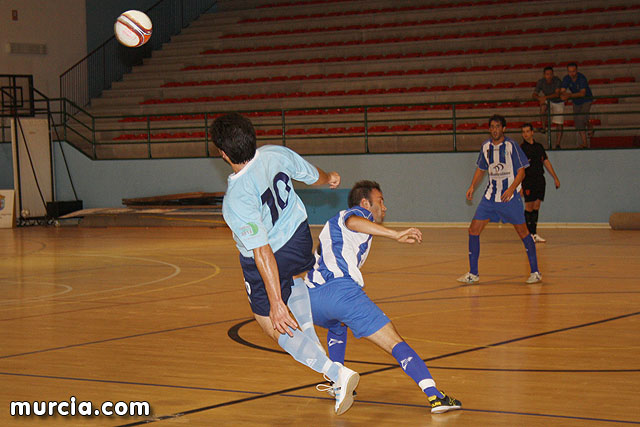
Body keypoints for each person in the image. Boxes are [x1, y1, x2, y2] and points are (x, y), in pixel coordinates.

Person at [210, 113, 359, 415]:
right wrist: (329, 178)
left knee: (268, 320)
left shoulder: (236, 199)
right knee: (292, 283)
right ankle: (322, 356)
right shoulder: (275, 153)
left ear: (222, 153)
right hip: (301, 240)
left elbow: (262, 251)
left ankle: (336, 373)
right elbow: (310, 174)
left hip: (271, 255)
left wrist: (276, 302)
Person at [305, 180, 462, 414]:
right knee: (394, 341)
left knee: (337, 327)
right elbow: (354, 222)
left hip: (312, 298)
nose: (384, 207)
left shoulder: (334, 227)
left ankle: (337, 383)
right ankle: (435, 396)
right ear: (366, 202)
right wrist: (395, 234)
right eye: (381, 201)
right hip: (340, 292)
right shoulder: (355, 214)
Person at [457, 114, 542, 285]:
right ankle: (473, 274)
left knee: (524, 233)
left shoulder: (512, 146)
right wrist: (472, 186)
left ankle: (535, 272)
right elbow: (481, 169)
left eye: (498, 126)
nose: (495, 129)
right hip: (490, 197)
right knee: (473, 230)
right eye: (492, 127)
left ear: (503, 128)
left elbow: (521, 172)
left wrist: (512, 189)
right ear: (489, 129)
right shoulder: (486, 147)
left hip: (509, 199)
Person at [520, 123, 561, 243]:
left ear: (532, 132)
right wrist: (519, 185)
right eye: (523, 132)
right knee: (529, 206)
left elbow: (546, 162)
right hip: (528, 180)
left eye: (527, 131)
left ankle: (534, 233)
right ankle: (528, 235)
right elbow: (519, 168)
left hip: (539, 180)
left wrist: (555, 177)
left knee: (536, 206)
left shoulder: (539, 147)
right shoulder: (522, 149)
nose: (525, 134)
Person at [560, 62, 593, 149]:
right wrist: (564, 94)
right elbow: (562, 90)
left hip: (586, 99)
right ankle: (584, 142)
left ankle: (589, 126)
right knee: (578, 121)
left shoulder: (582, 78)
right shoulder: (567, 78)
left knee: (581, 117)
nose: (572, 73)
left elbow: (582, 93)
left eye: (573, 71)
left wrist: (569, 95)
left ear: (577, 71)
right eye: (570, 71)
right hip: (576, 101)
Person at [533, 66, 564, 148]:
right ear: (544, 75)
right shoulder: (541, 82)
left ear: (553, 74)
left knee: (559, 122)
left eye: (550, 74)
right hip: (548, 100)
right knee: (542, 107)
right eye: (547, 74)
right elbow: (534, 94)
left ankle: (558, 143)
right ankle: (543, 127)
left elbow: (557, 94)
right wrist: (539, 98)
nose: (549, 76)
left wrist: (544, 98)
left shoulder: (557, 81)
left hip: (558, 101)